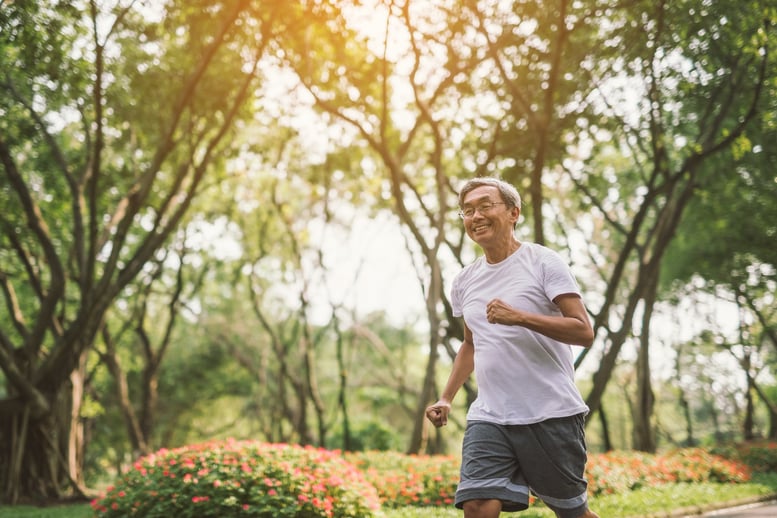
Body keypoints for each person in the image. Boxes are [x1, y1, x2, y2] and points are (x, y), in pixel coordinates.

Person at [426, 177, 599, 518]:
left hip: (550, 411)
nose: (475, 216)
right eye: (468, 210)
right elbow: (471, 343)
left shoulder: (543, 262)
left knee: (572, 513)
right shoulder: (464, 281)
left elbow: (583, 331)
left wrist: (520, 317)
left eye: (485, 206)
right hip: (490, 413)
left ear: (513, 212)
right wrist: (447, 397)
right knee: (476, 504)